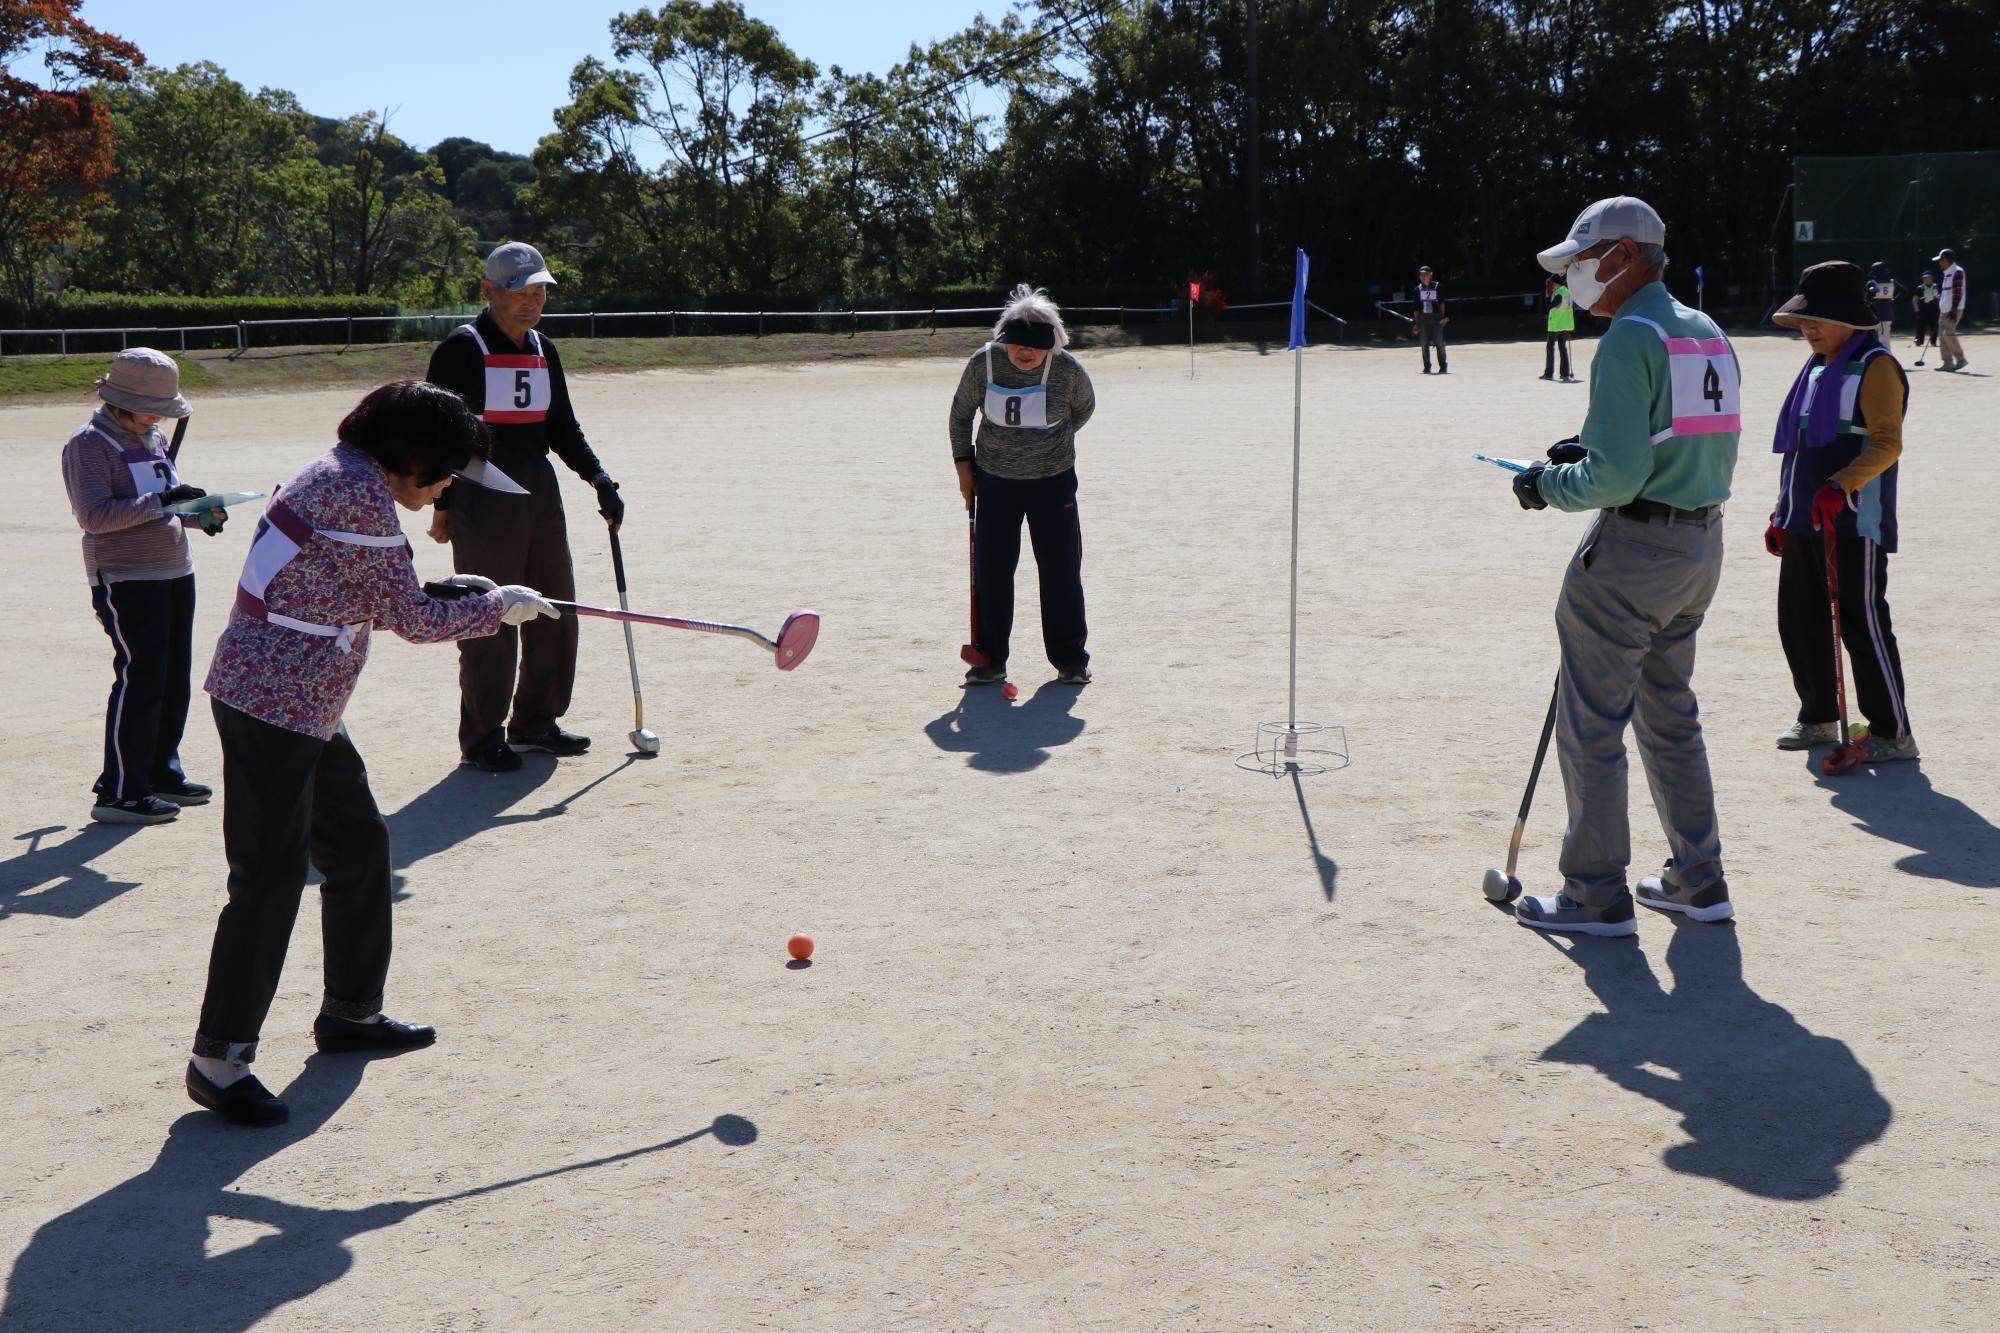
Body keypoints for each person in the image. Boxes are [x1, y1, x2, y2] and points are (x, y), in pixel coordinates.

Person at [188, 380, 558, 1126]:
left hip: (297, 696)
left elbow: (372, 586)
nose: (450, 484)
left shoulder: (341, 471)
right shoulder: (359, 495)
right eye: (447, 470)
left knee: (358, 845)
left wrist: (461, 591)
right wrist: (494, 610)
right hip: (277, 702)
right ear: (411, 458)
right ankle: (217, 1060)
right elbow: (411, 620)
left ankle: (350, 1010)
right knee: (268, 877)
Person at [1507, 195, 1741, 936]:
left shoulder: (1627, 337)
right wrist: (1592, 442)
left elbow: (1613, 480)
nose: (1575, 275)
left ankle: (1594, 892)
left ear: (1623, 256)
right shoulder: (1704, 330)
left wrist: (1547, 483)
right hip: (1700, 546)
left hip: (1634, 555)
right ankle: (1699, 877)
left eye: (1582, 260)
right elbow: (1678, 440)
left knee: (1592, 724)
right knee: (1672, 715)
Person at [426, 241, 624, 772]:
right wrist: (443, 504)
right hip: (482, 494)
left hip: (539, 488)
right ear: (489, 290)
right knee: (491, 614)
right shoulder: (461, 349)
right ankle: (482, 736)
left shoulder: (543, 348)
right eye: (519, 290)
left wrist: (599, 478)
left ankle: (536, 721)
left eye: (539, 291)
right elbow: (439, 436)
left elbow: (562, 425)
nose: (531, 301)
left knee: (555, 606)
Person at [60, 349, 229, 826]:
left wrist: (198, 517)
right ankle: (120, 791)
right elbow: (94, 516)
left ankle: (158, 771)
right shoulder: (88, 444)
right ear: (118, 400)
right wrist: (161, 500)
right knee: (141, 678)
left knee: (173, 678)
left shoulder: (149, 436)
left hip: (175, 570)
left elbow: (159, 507)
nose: (158, 417)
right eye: (151, 407)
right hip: (126, 577)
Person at [1764, 262, 1916, 763]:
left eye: (1818, 319)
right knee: (1800, 618)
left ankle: (1892, 732)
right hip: (1805, 518)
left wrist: (1842, 484)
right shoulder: (1817, 366)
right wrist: (1781, 511)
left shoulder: (1877, 365)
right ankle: (1818, 716)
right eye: (1803, 320)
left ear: (1850, 318)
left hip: (1853, 521)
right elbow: (1800, 451)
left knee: (1862, 621)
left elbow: (1888, 444)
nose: (1808, 328)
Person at [948, 285, 1096, 687]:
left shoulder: (1067, 371)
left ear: (1052, 344)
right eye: (1016, 344)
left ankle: (1070, 658)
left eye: (1034, 345)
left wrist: (1053, 443)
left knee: (1060, 569)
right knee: (993, 570)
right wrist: (965, 467)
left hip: (1053, 484)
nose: (1024, 351)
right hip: (995, 483)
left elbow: (1083, 408)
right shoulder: (984, 364)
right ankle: (990, 659)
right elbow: (961, 414)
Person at [1933, 248, 1969, 372]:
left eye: (1941, 260)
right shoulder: (1947, 272)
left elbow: (1958, 292)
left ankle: (1961, 359)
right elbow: (1946, 292)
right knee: (1942, 337)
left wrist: (1953, 309)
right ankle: (1947, 362)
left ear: (1947, 260)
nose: (1939, 262)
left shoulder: (1957, 272)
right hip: (1944, 309)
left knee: (1948, 334)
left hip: (1953, 309)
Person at [1541, 274, 1576, 381]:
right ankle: (1564, 373)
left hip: (1556, 324)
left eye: (1552, 283)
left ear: (1556, 283)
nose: (1551, 285)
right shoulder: (1567, 292)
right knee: (1562, 348)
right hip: (1565, 324)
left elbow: (1548, 306)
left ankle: (1549, 373)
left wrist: (1547, 295)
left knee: (1550, 348)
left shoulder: (1559, 294)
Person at [1414, 265, 1448, 373]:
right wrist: (1416, 323)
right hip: (1423, 318)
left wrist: (1442, 317)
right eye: (1421, 275)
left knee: (1439, 343)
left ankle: (1443, 366)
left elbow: (1442, 303)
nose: (1423, 277)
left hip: (1436, 317)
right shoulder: (1417, 289)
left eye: (1426, 274)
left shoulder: (1438, 286)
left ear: (1431, 275)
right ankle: (1427, 366)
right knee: (1424, 344)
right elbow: (1416, 309)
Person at [1865, 261, 1902, 343]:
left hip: (1874, 315)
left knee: (1874, 341)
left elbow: (1867, 300)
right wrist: (1894, 300)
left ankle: (1881, 355)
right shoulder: (1892, 281)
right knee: (1885, 341)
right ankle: (1885, 354)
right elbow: (1904, 291)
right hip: (1888, 314)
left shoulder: (1872, 283)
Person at [1912, 270, 1941, 366]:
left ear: (1932, 279)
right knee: (1921, 325)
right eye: (1924, 278)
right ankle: (1919, 340)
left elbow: (1940, 297)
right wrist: (1916, 309)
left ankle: (1933, 341)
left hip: (1934, 309)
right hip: (1923, 309)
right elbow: (1915, 299)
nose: (1926, 280)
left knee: (1934, 325)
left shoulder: (1936, 286)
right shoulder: (1920, 288)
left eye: (1928, 278)